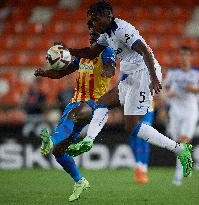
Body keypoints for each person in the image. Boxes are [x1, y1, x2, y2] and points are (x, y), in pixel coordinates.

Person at [66, 1, 193, 178]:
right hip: (130, 74)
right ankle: (88, 140)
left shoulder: (122, 29)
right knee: (102, 102)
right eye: (92, 20)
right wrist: (68, 50)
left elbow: (145, 51)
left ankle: (180, 150)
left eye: (95, 19)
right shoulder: (105, 34)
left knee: (132, 127)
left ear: (107, 15)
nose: (93, 23)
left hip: (143, 73)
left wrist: (154, 79)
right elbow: (91, 53)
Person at [34, 20, 116, 202]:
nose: (93, 37)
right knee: (58, 151)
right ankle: (80, 181)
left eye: (96, 34)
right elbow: (62, 73)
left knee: (74, 116)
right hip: (75, 102)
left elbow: (111, 68)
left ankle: (50, 141)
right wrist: (45, 73)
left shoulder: (107, 52)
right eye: (91, 34)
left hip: (96, 104)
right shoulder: (84, 56)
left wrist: (108, 72)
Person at [164, 46, 199, 185]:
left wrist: (194, 89)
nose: (184, 58)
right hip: (175, 109)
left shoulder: (197, 72)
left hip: (190, 109)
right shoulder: (173, 72)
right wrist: (169, 93)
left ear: (191, 57)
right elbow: (165, 87)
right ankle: (186, 161)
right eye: (182, 55)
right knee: (176, 143)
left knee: (183, 140)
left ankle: (178, 175)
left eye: (186, 55)